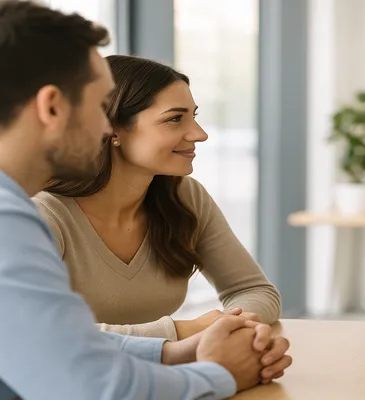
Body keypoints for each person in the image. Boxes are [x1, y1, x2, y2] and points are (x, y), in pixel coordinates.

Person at [0, 1, 290, 399]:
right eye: (98, 106)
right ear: (52, 107)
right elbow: (95, 387)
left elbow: (58, 343)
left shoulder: (12, 209)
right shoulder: (12, 218)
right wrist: (220, 373)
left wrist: (176, 351)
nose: (105, 126)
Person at [32, 54, 281, 341]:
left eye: (193, 117)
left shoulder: (186, 196)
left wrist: (227, 325)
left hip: (160, 366)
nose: (199, 134)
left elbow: (253, 290)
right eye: (174, 119)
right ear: (110, 129)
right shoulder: (41, 215)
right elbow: (37, 332)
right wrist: (183, 331)